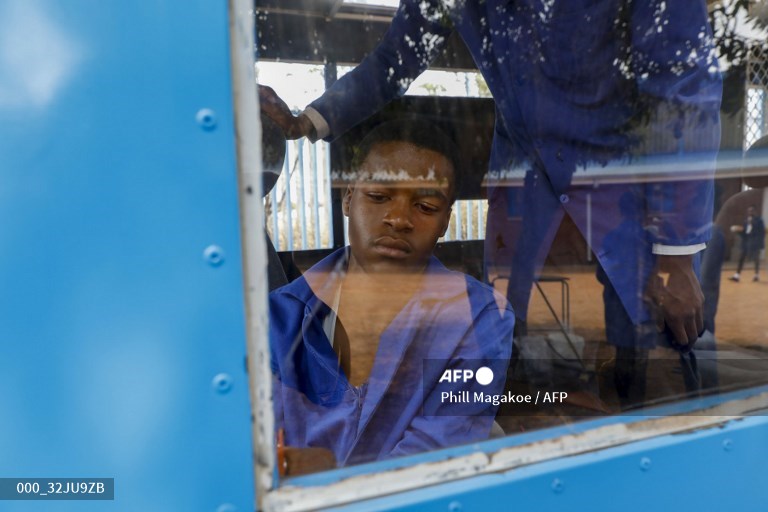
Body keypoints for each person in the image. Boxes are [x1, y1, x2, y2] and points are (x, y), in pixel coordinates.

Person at [260, 0, 722, 360]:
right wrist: (309, 121)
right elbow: (396, 57)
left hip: (630, 190)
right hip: (524, 183)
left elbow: (683, 93)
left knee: (657, 337)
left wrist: (675, 255)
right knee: (505, 337)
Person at [269, 119, 514, 475]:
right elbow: (263, 452)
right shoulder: (278, 315)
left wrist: (320, 475)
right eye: (379, 197)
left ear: (445, 221)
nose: (399, 219)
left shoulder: (480, 317)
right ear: (348, 197)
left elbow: (433, 459)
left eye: (426, 207)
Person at [729, 205, 766, 282]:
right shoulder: (746, 221)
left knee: (756, 259)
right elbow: (745, 232)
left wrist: (752, 223)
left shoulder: (759, 220)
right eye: (749, 211)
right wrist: (738, 231)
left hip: (755, 243)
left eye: (751, 211)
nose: (750, 212)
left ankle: (756, 275)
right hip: (746, 242)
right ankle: (737, 276)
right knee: (741, 258)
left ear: (755, 211)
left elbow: (761, 232)